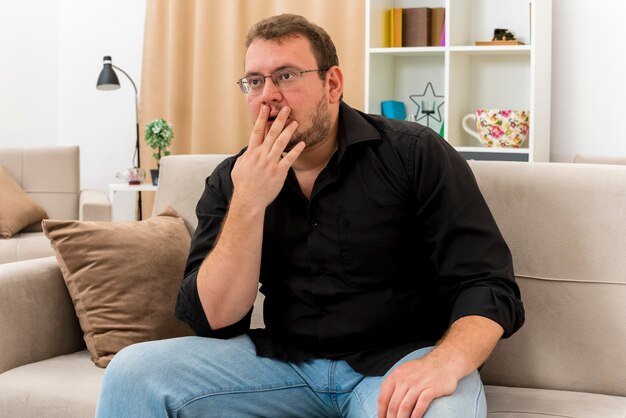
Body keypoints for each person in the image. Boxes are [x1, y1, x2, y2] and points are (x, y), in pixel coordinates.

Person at [96, 14, 524, 418]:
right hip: (284, 365)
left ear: (332, 83)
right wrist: (249, 201)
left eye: (286, 76)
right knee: (133, 372)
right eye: (255, 81)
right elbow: (215, 319)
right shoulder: (233, 180)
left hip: (397, 363)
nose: (268, 95)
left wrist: (443, 364)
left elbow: (487, 284)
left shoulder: (414, 154)